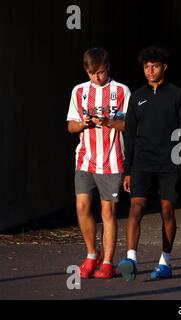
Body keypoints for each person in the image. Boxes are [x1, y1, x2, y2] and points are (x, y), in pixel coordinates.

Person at [117, 46, 181, 280]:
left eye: (155, 66)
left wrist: (179, 161)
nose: (150, 71)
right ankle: (131, 259)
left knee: (167, 211)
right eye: (146, 67)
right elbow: (129, 134)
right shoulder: (138, 96)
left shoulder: (177, 95)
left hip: (169, 163)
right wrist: (127, 169)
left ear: (164, 68)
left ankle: (165, 262)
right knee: (136, 208)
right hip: (142, 162)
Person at [66, 48, 130, 278]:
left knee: (108, 211)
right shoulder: (79, 91)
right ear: (86, 70)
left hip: (112, 160)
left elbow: (130, 126)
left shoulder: (121, 91)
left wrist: (107, 121)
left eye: (101, 72)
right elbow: (70, 126)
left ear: (108, 68)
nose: (97, 78)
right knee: (82, 206)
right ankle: (92, 255)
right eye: (92, 73)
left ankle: (109, 262)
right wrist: (82, 124)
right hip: (85, 158)